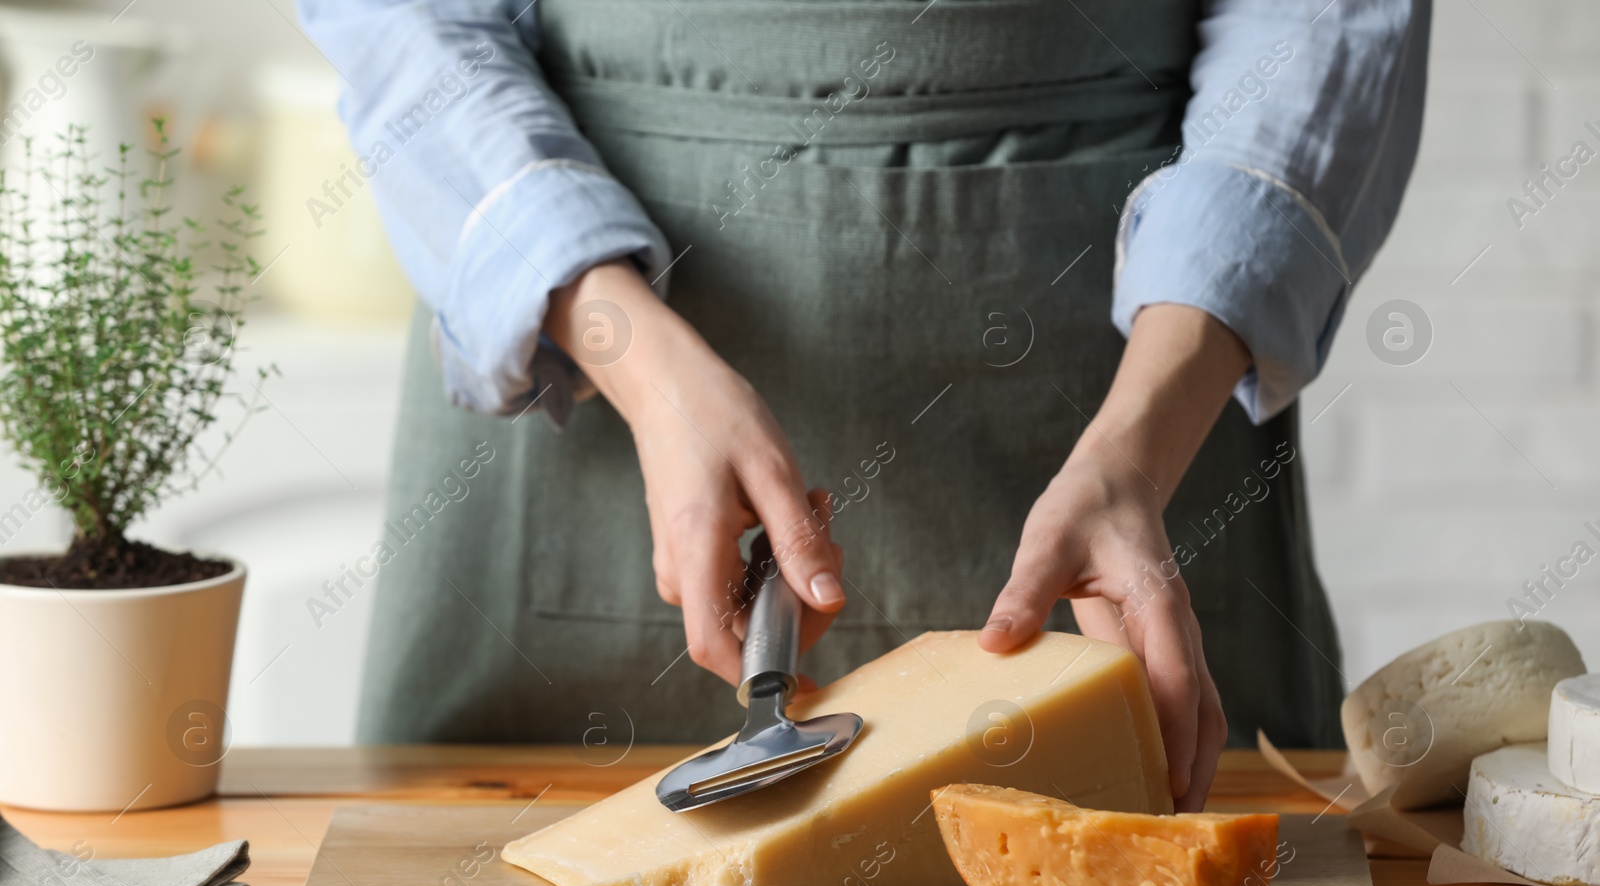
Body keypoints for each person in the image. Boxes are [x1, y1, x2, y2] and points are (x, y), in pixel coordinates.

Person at [300, 0, 1429, 810]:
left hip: (1138, 395)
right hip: (581, 361)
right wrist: (631, 354)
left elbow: (1323, 23)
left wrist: (1137, 444)